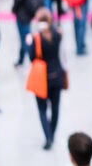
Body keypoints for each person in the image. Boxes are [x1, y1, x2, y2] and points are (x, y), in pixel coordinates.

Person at [27, 9, 65, 150]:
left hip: (42, 78)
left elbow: (32, 58)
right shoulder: (57, 35)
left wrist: (29, 43)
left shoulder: (36, 39)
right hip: (57, 76)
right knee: (55, 108)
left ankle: (47, 136)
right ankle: (52, 134)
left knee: (42, 109)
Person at [11, 0, 41, 67]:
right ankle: (21, 59)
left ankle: (32, 60)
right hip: (27, 13)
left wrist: (14, 8)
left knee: (25, 38)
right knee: (25, 36)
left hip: (22, 13)